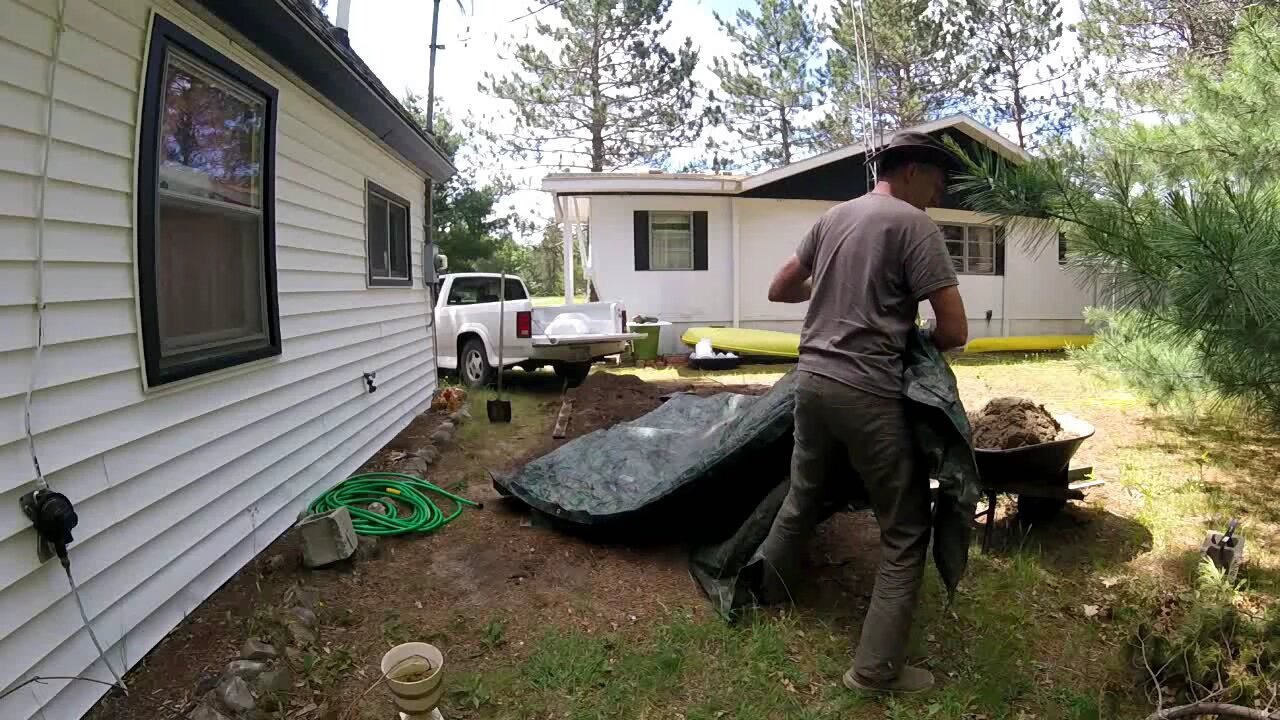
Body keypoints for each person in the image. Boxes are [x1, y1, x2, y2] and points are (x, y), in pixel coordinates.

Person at [759, 131, 969, 694]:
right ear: (909, 173)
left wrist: (831, 293)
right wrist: (909, 331)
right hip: (866, 391)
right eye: (937, 177)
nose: (941, 188)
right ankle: (875, 672)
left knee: (804, 493)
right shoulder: (914, 226)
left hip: (811, 383)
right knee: (904, 528)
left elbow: (780, 289)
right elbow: (955, 331)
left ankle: (767, 591)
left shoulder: (833, 218)